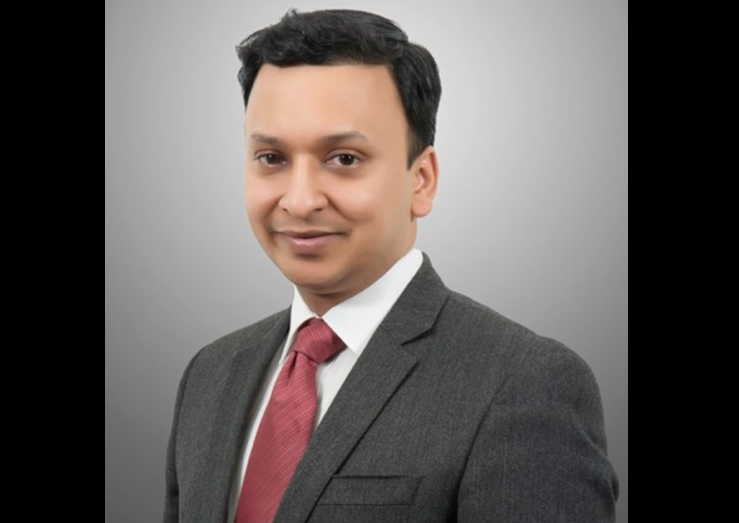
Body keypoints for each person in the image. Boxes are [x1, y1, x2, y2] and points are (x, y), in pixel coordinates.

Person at [163, 8, 619, 523]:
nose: (300, 200)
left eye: (344, 158)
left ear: (421, 180)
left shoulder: (523, 382)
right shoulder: (211, 374)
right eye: (272, 158)